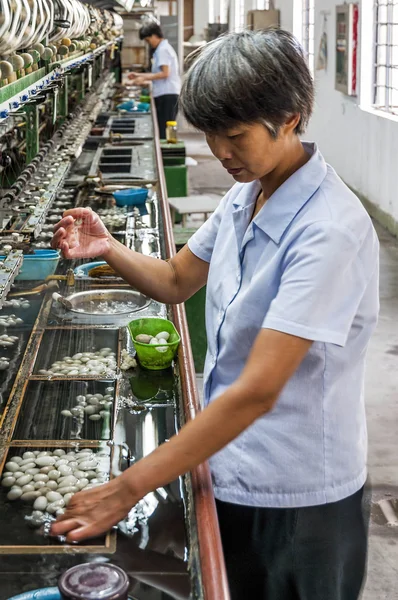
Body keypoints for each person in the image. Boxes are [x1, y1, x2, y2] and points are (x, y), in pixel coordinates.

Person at [51, 29, 379, 600]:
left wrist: (125, 489)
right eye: (211, 136)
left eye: (235, 136)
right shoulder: (246, 194)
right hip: (232, 464)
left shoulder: (328, 231)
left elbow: (257, 391)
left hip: (296, 499)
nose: (221, 153)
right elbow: (178, 281)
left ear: (291, 118)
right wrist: (107, 249)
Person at [129, 21, 181, 139]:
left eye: (148, 40)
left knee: (164, 130)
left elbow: (165, 73)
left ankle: (164, 154)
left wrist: (143, 77)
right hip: (166, 94)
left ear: (154, 35)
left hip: (167, 95)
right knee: (164, 128)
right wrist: (138, 75)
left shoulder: (162, 50)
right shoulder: (162, 49)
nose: (148, 43)